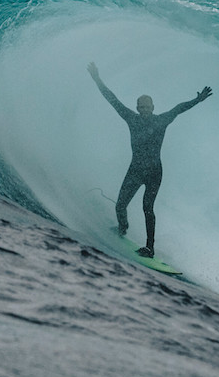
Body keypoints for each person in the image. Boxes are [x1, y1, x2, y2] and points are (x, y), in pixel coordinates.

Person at [88, 62, 212, 259]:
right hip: (135, 169)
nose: (144, 109)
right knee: (120, 205)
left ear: (153, 107)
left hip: (154, 171)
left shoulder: (161, 120)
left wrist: (197, 100)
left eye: (147, 106)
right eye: (141, 106)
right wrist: (97, 79)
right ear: (137, 108)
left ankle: (149, 248)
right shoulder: (131, 118)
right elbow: (112, 99)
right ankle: (122, 228)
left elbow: (179, 108)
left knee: (147, 208)